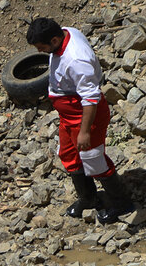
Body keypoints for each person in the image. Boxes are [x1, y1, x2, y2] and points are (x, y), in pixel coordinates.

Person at [27, 17, 134, 223]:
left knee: (94, 159)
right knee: (68, 154)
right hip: (68, 115)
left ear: (55, 40)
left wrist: (85, 131)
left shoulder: (76, 60)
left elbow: (91, 98)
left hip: (84, 115)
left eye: (41, 47)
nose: (40, 52)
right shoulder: (66, 31)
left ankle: (121, 203)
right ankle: (88, 198)